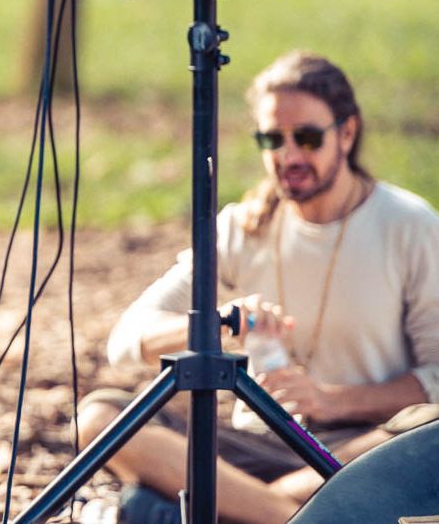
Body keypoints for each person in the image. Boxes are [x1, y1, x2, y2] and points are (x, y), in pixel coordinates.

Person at [79, 51, 439, 524]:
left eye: (307, 138)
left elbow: (436, 378)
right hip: (258, 447)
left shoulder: (408, 226)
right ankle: (289, 514)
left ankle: (234, 510)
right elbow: (126, 340)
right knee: (100, 420)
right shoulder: (241, 228)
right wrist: (224, 321)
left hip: (368, 446)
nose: (288, 156)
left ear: (347, 132)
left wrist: (330, 400)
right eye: (272, 139)